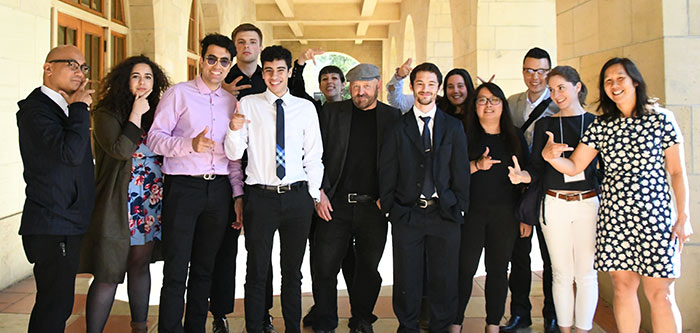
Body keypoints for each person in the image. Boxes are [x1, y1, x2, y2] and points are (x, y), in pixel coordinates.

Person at [542, 58, 692, 332]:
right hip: (615, 217)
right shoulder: (602, 125)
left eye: (620, 78)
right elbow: (575, 165)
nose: (614, 85)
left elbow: (677, 173)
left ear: (635, 80)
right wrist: (549, 157)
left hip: (654, 217)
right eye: (608, 81)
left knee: (661, 293)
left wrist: (683, 217)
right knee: (623, 289)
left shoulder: (661, 119)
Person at [148, 33, 244, 332]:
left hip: (218, 191)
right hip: (184, 189)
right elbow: (155, 139)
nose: (217, 66)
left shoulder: (233, 103)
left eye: (224, 61)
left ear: (230, 65)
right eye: (212, 59)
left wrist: (238, 195)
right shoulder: (179, 94)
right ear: (201, 60)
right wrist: (190, 144)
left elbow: (234, 158)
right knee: (176, 269)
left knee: (205, 270)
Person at [225, 45, 323, 333]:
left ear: (290, 71)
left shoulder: (305, 108)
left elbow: (314, 156)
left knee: (292, 273)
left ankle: (292, 328)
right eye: (268, 70)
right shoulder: (248, 103)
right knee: (256, 271)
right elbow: (233, 153)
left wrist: (313, 195)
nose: (274, 76)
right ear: (262, 72)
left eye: (281, 70)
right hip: (261, 198)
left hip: (296, 198)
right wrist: (233, 128)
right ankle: (255, 327)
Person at [79, 55, 170, 333]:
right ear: (124, 80)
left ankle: (139, 327)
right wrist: (135, 113)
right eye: (135, 76)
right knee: (108, 272)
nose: (142, 82)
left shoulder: (158, 113)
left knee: (140, 265)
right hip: (118, 203)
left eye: (148, 77)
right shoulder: (106, 112)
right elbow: (121, 150)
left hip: (150, 202)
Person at [379, 62, 470, 333]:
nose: (425, 89)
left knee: (444, 277)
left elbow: (461, 170)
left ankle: (440, 327)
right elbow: (387, 171)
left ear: (438, 88)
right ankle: (407, 326)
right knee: (407, 277)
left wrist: (459, 206)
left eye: (431, 84)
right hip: (408, 213)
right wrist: (392, 209)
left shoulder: (453, 127)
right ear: (412, 86)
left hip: (445, 212)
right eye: (420, 83)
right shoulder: (398, 127)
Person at [508, 66, 599, 333]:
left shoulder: (595, 123)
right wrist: (522, 176)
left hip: (587, 203)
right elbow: (536, 169)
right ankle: (564, 328)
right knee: (560, 274)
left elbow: (602, 171)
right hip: (554, 204)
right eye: (552, 89)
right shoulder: (545, 124)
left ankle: (582, 329)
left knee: (586, 275)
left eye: (561, 87)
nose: (556, 94)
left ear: (577, 87)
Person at [312, 63, 401, 333]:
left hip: (373, 207)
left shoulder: (393, 117)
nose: (360, 92)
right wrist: (320, 192)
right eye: (355, 87)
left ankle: (361, 318)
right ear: (348, 88)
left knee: (367, 270)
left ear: (377, 84)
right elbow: (316, 154)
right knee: (324, 266)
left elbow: (400, 162)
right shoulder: (333, 112)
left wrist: (388, 198)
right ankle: (326, 321)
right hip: (335, 203)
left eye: (365, 86)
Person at [16, 44, 95, 332]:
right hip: (51, 223)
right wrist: (79, 107)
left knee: (59, 304)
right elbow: (70, 154)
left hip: (66, 221)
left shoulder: (62, 107)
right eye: (72, 65)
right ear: (48, 68)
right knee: (54, 305)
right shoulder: (36, 111)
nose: (80, 72)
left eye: (84, 67)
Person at [451, 82, 529, 333]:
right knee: (463, 270)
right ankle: (455, 323)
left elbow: (528, 180)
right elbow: (449, 174)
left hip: (505, 216)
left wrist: (525, 216)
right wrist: (476, 165)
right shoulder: (462, 134)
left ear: (503, 105)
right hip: (470, 214)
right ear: (474, 106)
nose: (488, 105)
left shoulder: (516, 137)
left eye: (494, 100)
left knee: (498, 270)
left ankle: (493, 324)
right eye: (482, 100)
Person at [288, 48, 357, 328]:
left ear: (343, 85)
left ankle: (359, 312)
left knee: (351, 260)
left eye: (334, 78)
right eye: (325, 78)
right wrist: (299, 64)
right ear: (320, 86)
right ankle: (324, 309)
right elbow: (295, 88)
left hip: (348, 199)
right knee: (320, 260)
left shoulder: (357, 111)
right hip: (318, 193)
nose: (329, 82)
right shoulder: (313, 110)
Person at [502, 47, 559, 333]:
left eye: (541, 71)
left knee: (551, 258)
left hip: (549, 189)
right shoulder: (512, 103)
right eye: (529, 70)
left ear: (549, 72)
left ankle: (552, 314)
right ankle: (519, 313)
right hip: (519, 188)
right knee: (519, 256)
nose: (534, 77)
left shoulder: (560, 103)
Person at [386, 58, 475, 117]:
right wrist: (398, 77)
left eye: (460, 86)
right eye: (450, 86)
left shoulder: (478, 110)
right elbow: (397, 101)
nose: (455, 91)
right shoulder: (433, 103)